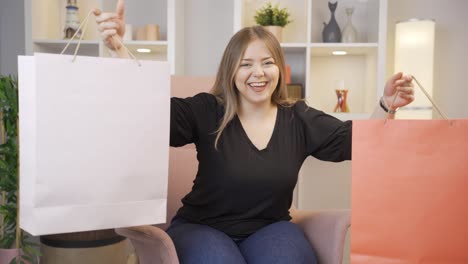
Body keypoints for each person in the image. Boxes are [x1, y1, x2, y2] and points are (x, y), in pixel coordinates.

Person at [94, 1, 415, 263]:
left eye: (267, 63)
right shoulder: (207, 109)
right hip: (202, 227)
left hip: (269, 227)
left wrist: (388, 104)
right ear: (231, 72)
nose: (258, 73)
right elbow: (149, 113)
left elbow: (356, 143)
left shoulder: (298, 117)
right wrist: (119, 50)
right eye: (246, 64)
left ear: (279, 68)